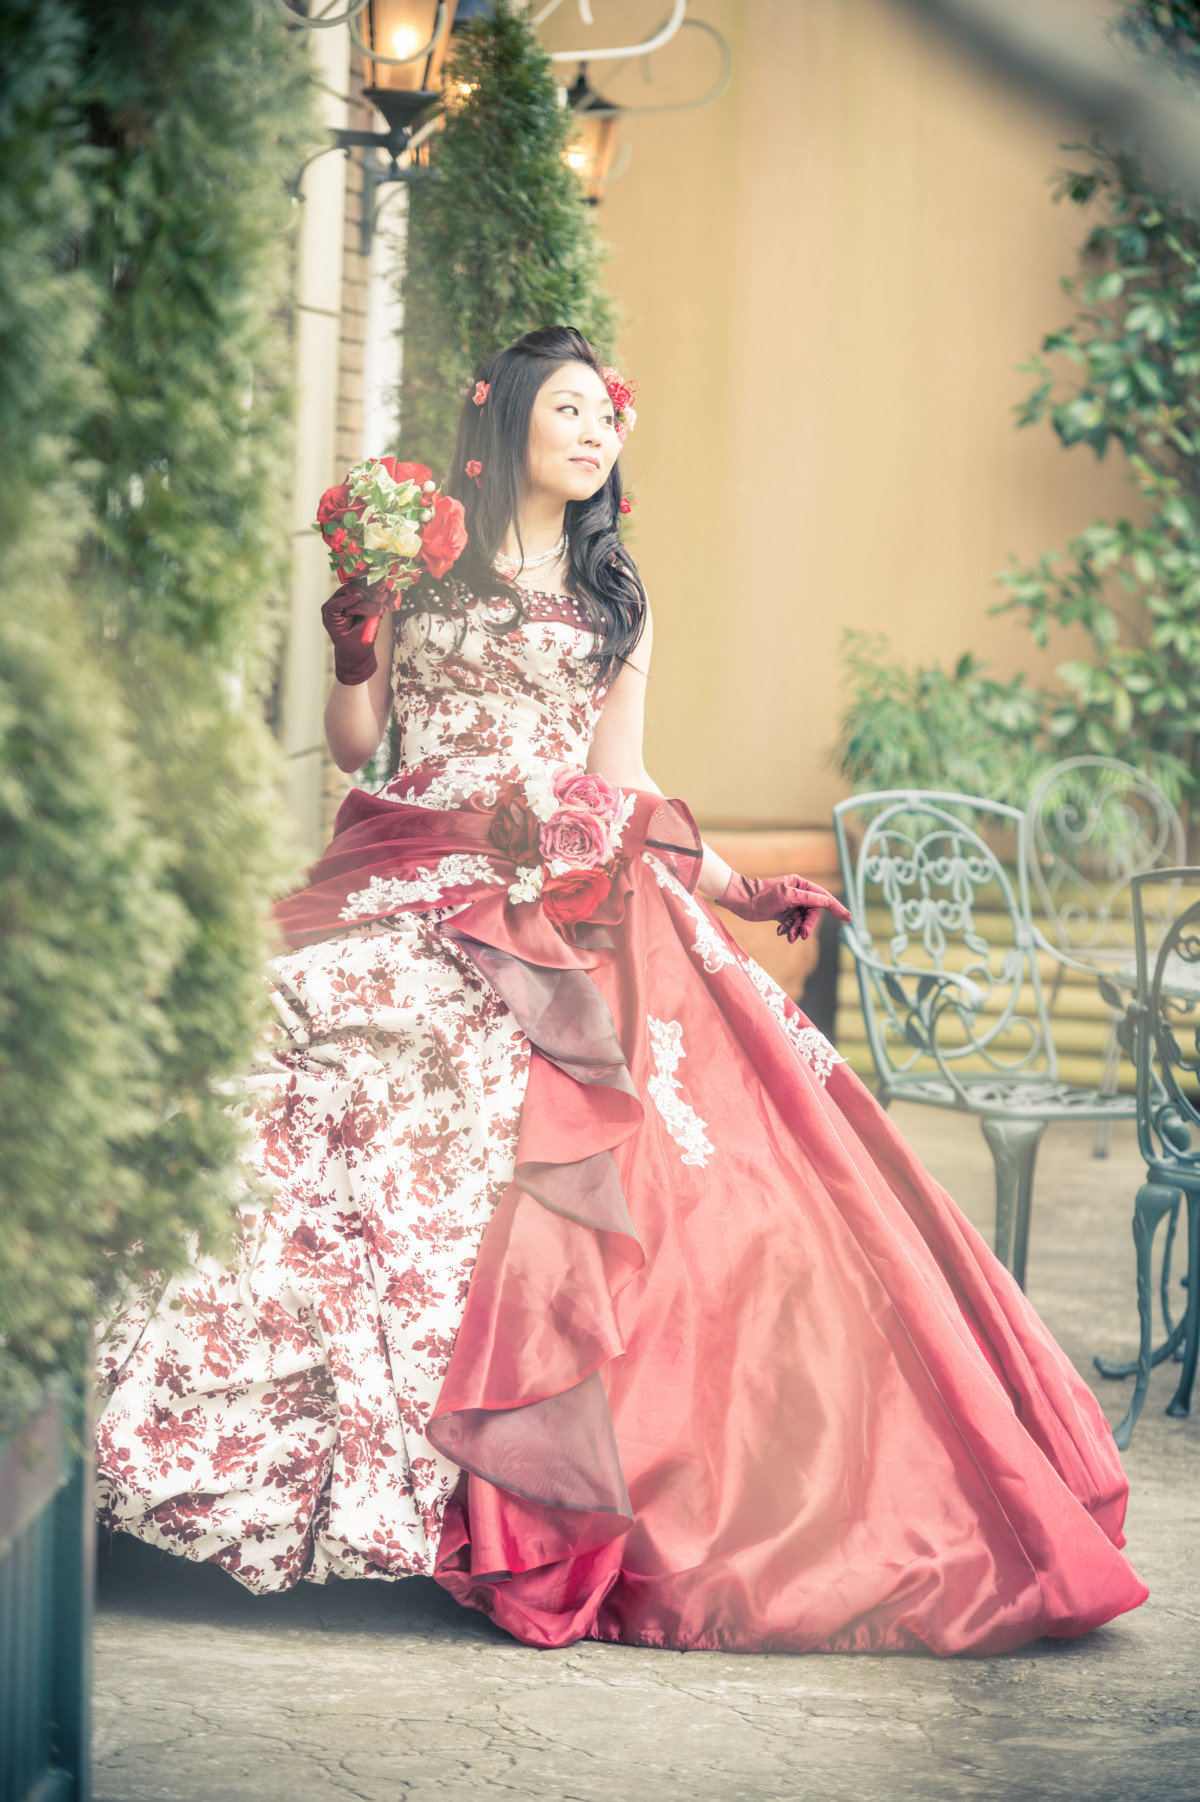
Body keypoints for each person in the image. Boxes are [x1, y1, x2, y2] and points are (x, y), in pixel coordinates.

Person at [96, 325, 1147, 1654]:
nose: (598, 436)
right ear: (511, 419)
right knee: (263, 1048)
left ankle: (511, 1501)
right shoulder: (418, 552)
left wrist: (739, 886)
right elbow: (357, 744)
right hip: (403, 857)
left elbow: (627, 782)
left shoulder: (618, 594)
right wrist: (357, 639)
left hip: (552, 891)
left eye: (610, 418)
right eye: (574, 411)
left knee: (631, 1167)